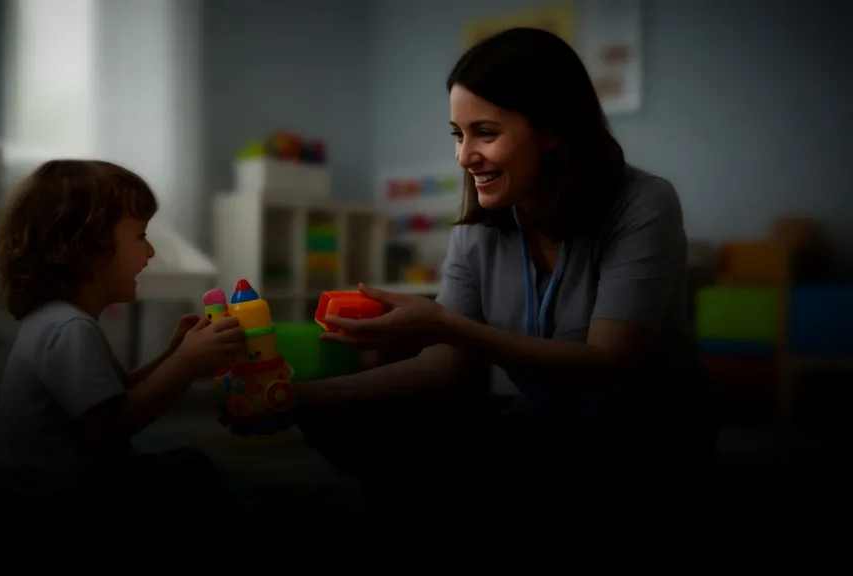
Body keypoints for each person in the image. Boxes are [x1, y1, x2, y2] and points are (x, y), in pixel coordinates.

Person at [296, 28, 713, 509]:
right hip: (542, 423)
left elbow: (609, 361)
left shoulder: (643, 203)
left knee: (510, 459)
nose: (464, 156)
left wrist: (448, 325)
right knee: (338, 417)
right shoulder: (479, 227)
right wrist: (298, 398)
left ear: (552, 130)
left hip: (638, 436)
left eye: (485, 133)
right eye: (458, 134)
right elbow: (445, 367)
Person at [0, 159, 246, 517]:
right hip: (59, 502)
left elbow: (114, 395)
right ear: (89, 247)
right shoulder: (69, 329)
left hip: (54, 490)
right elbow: (110, 426)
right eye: (141, 236)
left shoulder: (59, 321)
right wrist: (186, 364)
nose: (150, 251)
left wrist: (173, 354)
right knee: (193, 470)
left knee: (181, 463)